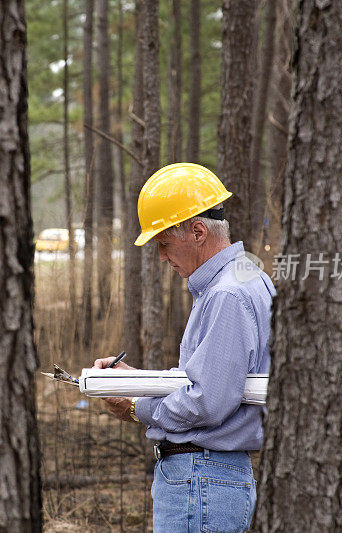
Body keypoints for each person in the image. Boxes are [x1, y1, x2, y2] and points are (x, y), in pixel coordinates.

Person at [93, 163, 275, 532]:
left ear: (196, 231)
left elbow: (208, 399)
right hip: (212, 479)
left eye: (164, 244)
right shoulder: (245, 278)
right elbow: (211, 379)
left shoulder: (227, 295)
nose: (162, 257)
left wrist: (134, 406)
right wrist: (138, 380)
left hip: (200, 479)